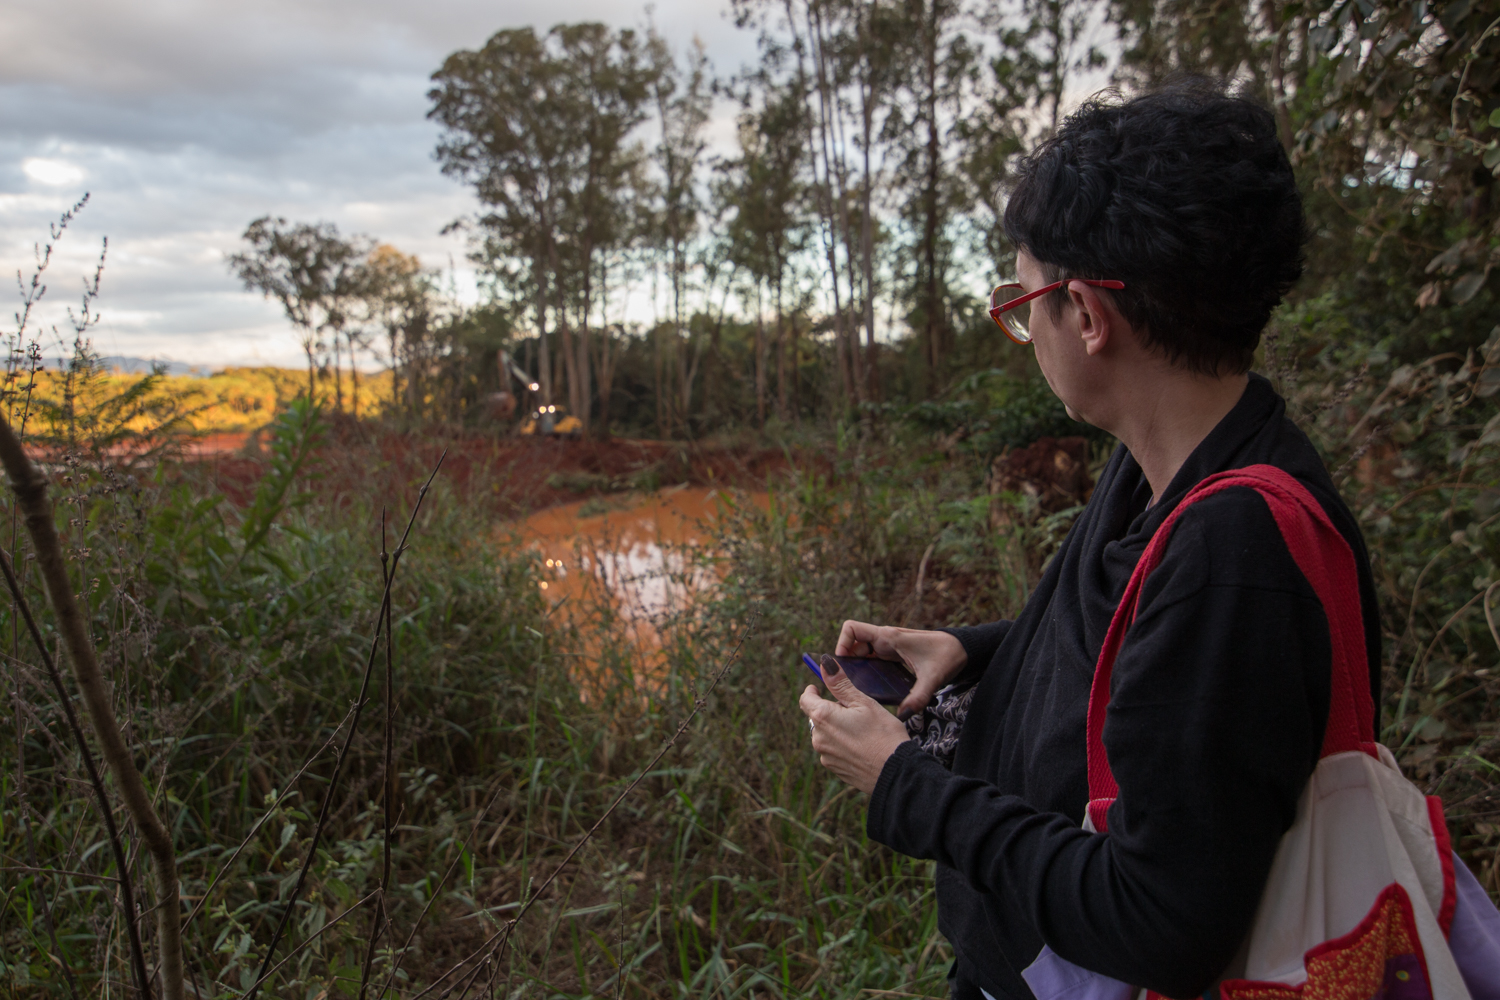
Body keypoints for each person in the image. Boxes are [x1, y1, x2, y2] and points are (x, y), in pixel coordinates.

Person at [798, 80, 1383, 1000]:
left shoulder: (1233, 557)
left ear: (1087, 314)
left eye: (1023, 300)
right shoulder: (1162, 465)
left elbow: (1160, 921)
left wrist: (901, 785)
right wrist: (973, 652)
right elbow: (1130, 651)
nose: (1026, 327)